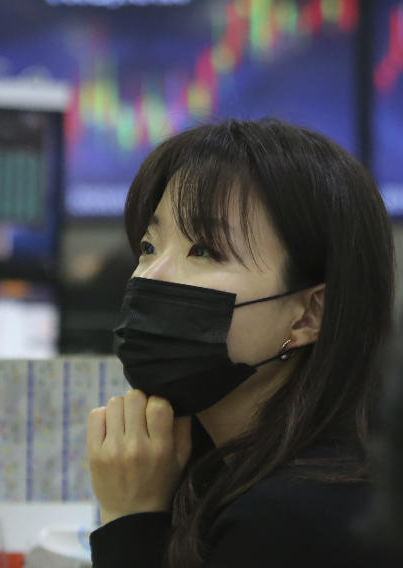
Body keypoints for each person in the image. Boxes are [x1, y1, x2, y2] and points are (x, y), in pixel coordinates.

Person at [86, 119, 400, 567]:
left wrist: (130, 520)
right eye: (149, 246)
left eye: (205, 250)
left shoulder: (288, 523)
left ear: (309, 314)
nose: (148, 277)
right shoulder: (241, 469)